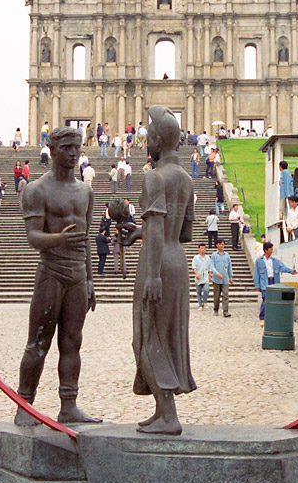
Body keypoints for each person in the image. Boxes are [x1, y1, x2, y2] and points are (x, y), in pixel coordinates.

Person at [14, 125, 99, 427]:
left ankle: (69, 404)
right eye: (67, 148)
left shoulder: (86, 190)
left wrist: (90, 280)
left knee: (72, 342)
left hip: (77, 274)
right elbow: (33, 237)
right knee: (38, 342)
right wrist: (59, 240)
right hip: (51, 271)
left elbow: (86, 239)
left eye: (77, 147)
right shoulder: (37, 189)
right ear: (52, 150)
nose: (74, 154)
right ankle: (25, 404)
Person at [119, 105, 196, 435]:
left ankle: (168, 415)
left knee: (147, 337)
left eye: (148, 136)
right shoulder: (186, 179)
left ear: (156, 140)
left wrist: (152, 274)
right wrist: (141, 230)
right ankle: (161, 408)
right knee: (166, 335)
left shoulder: (153, 176)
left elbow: (156, 230)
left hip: (158, 263)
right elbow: (185, 233)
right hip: (177, 260)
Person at [254, 241, 297, 323]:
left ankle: (272, 316)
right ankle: (262, 317)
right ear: (265, 250)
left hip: (274, 281)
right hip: (264, 282)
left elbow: (283, 268)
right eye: (270, 249)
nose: (271, 250)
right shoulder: (259, 261)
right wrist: (257, 285)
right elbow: (257, 273)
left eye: (272, 249)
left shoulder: (275, 261)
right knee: (265, 299)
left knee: (274, 300)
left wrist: (291, 271)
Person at [210, 239, 233, 317]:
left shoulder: (227, 255)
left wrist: (231, 277)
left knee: (225, 295)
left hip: (225, 279)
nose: (221, 245)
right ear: (217, 245)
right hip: (216, 279)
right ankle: (216, 309)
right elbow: (212, 266)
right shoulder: (214, 255)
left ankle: (225, 311)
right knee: (216, 295)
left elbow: (229, 267)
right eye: (219, 244)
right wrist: (217, 274)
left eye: (222, 244)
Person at [192, 243, 212, 310]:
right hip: (199, 276)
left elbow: (209, 267)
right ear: (199, 249)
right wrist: (196, 274)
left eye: (204, 248)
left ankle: (205, 301)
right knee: (199, 291)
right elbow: (194, 267)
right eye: (201, 248)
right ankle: (200, 305)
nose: (203, 250)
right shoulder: (196, 258)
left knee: (206, 289)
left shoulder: (208, 258)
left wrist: (210, 276)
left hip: (205, 277)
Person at [278, 160, 294, 226]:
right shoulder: (285, 173)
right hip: (284, 194)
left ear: (281, 166)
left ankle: (287, 221)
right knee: (284, 209)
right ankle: (286, 220)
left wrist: (288, 195)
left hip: (285, 194)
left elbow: (287, 183)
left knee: (285, 209)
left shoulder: (285, 172)